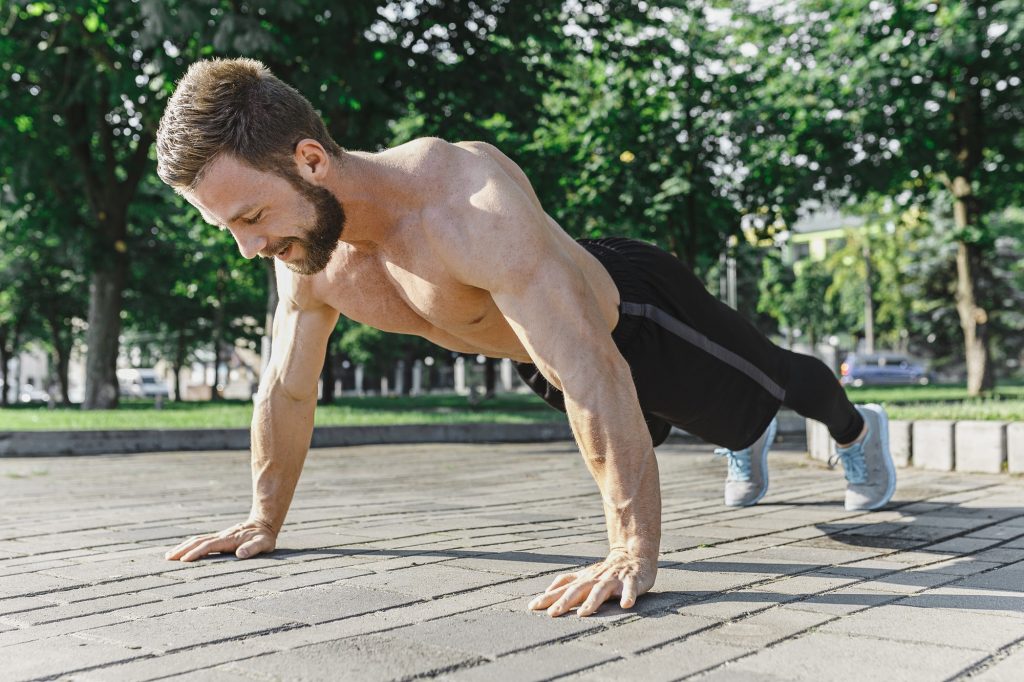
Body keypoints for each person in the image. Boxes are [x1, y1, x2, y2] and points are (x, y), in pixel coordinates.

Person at [156, 58, 896, 618]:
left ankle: (859, 431)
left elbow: (593, 370)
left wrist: (631, 551)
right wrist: (263, 520)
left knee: (770, 390)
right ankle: (740, 438)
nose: (248, 248)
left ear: (310, 160)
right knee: (693, 424)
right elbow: (287, 386)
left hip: (634, 316)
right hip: (543, 353)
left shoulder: (462, 201)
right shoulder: (307, 253)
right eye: (230, 229)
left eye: (251, 218)